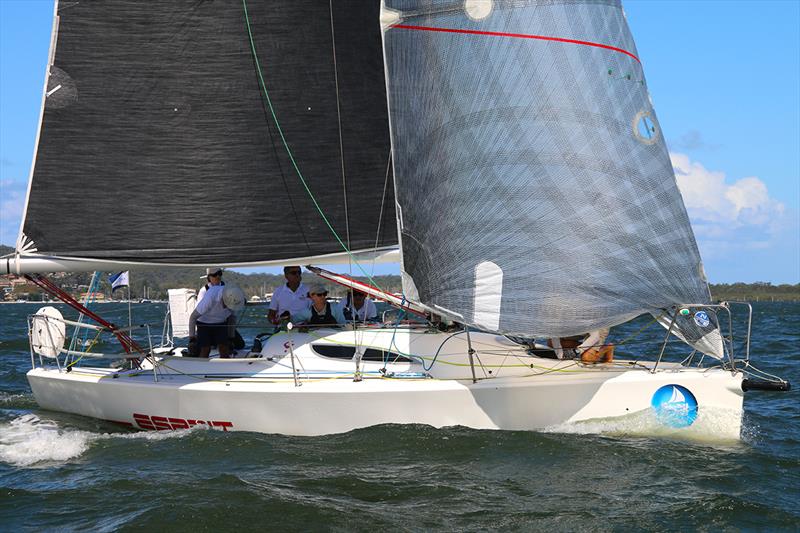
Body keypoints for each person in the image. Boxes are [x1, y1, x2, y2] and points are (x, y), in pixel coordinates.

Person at [188, 284, 245, 358]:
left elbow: (232, 320)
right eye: (226, 304)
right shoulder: (211, 298)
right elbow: (193, 317)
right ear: (222, 298)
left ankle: (224, 367)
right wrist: (192, 339)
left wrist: (231, 338)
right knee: (205, 349)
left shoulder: (234, 301)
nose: (227, 307)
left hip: (221, 323)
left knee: (225, 349)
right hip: (204, 323)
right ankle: (202, 367)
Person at [549, 329, 614, 363]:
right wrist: (560, 355)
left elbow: (595, 336)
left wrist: (578, 351)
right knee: (551, 343)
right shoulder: (557, 318)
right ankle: (586, 348)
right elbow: (554, 335)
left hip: (599, 324)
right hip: (579, 326)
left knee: (586, 359)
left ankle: (608, 348)